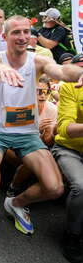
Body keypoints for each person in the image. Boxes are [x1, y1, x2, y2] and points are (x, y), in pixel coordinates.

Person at [0, 15, 83, 238]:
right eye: (16, 32)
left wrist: (80, 72)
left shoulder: (38, 61)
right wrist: (0, 70)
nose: (23, 36)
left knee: (55, 188)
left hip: (27, 132)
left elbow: (62, 72)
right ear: (5, 36)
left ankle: (15, 203)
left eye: (26, 31)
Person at [52, 65, 83, 262]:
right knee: (81, 187)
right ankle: (73, 234)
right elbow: (64, 129)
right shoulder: (71, 87)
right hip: (69, 148)